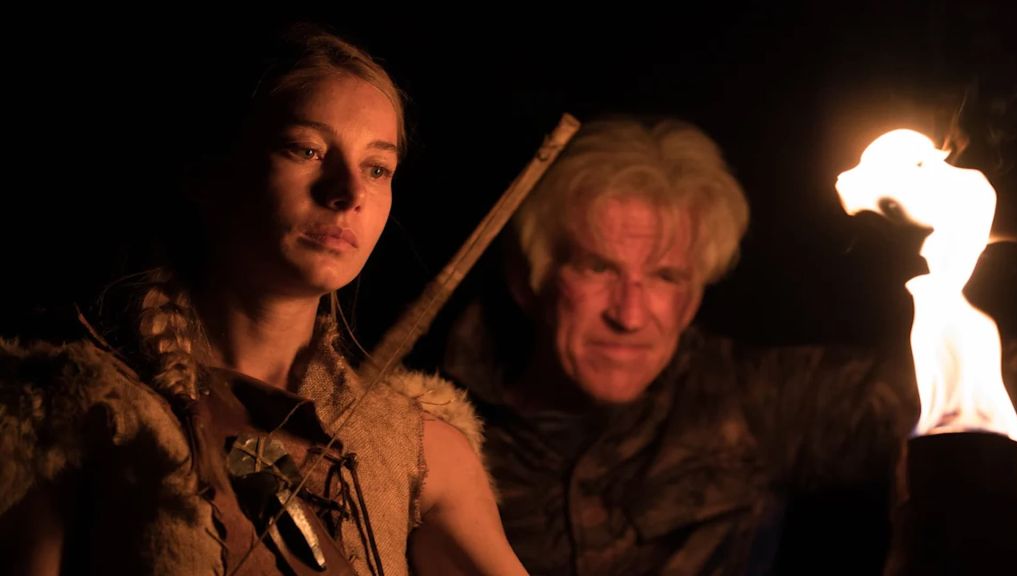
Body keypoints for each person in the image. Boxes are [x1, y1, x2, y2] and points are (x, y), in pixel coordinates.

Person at [0, 24, 526, 576]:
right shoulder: (71, 417)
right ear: (207, 171)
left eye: (377, 169)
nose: (349, 193)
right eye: (307, 150)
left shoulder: (416, 452)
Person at [442, 117, 942, 575]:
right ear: (528, 279)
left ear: (693, 297)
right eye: (599, 268)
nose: (629, 316)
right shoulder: (429, 421)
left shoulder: (749, 400)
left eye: (665, 276)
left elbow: (954, 391)